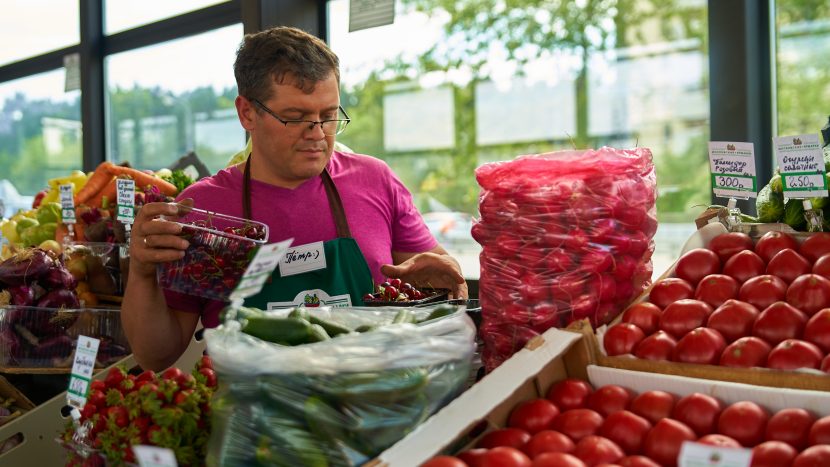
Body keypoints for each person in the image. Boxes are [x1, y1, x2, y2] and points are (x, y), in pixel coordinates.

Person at [122, 26, 467, 371]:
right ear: (247, 113)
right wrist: (141, 272)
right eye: (296, 118)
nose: (317, 134)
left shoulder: (375, 181)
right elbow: (157, 354)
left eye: (329, 116)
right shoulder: (202, 210)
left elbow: (431, 279)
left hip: (371, 404)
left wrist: (443, 283)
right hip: (255, 417)